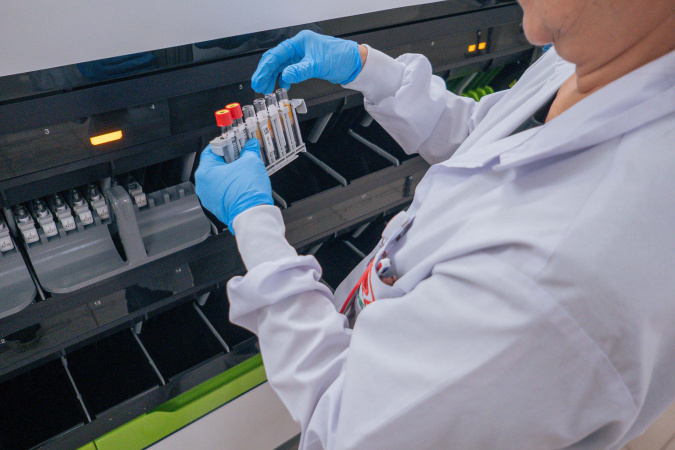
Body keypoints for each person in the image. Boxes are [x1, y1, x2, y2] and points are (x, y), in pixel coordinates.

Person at [195, 0, 675, 447]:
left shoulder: (555, 279)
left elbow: (346, 426)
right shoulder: (600, 50)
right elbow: (493, 141)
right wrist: (371, 71)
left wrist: (254, 224)